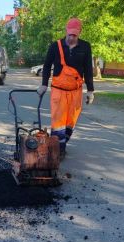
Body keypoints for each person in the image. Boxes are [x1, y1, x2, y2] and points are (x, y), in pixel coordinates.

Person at [37, 17, 94, 160]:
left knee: (70, 122)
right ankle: (58, 150)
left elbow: (88, 69)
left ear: (79, 32)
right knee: (58, 121)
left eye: (75, 35)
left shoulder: (85, 47)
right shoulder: (55, 46)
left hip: (76, 91)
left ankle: (63, 143)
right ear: (66, 31)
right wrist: (44, 84)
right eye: (70, 34)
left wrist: (91, 91)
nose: (72, 37)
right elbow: (46, 66)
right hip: (58, 90)